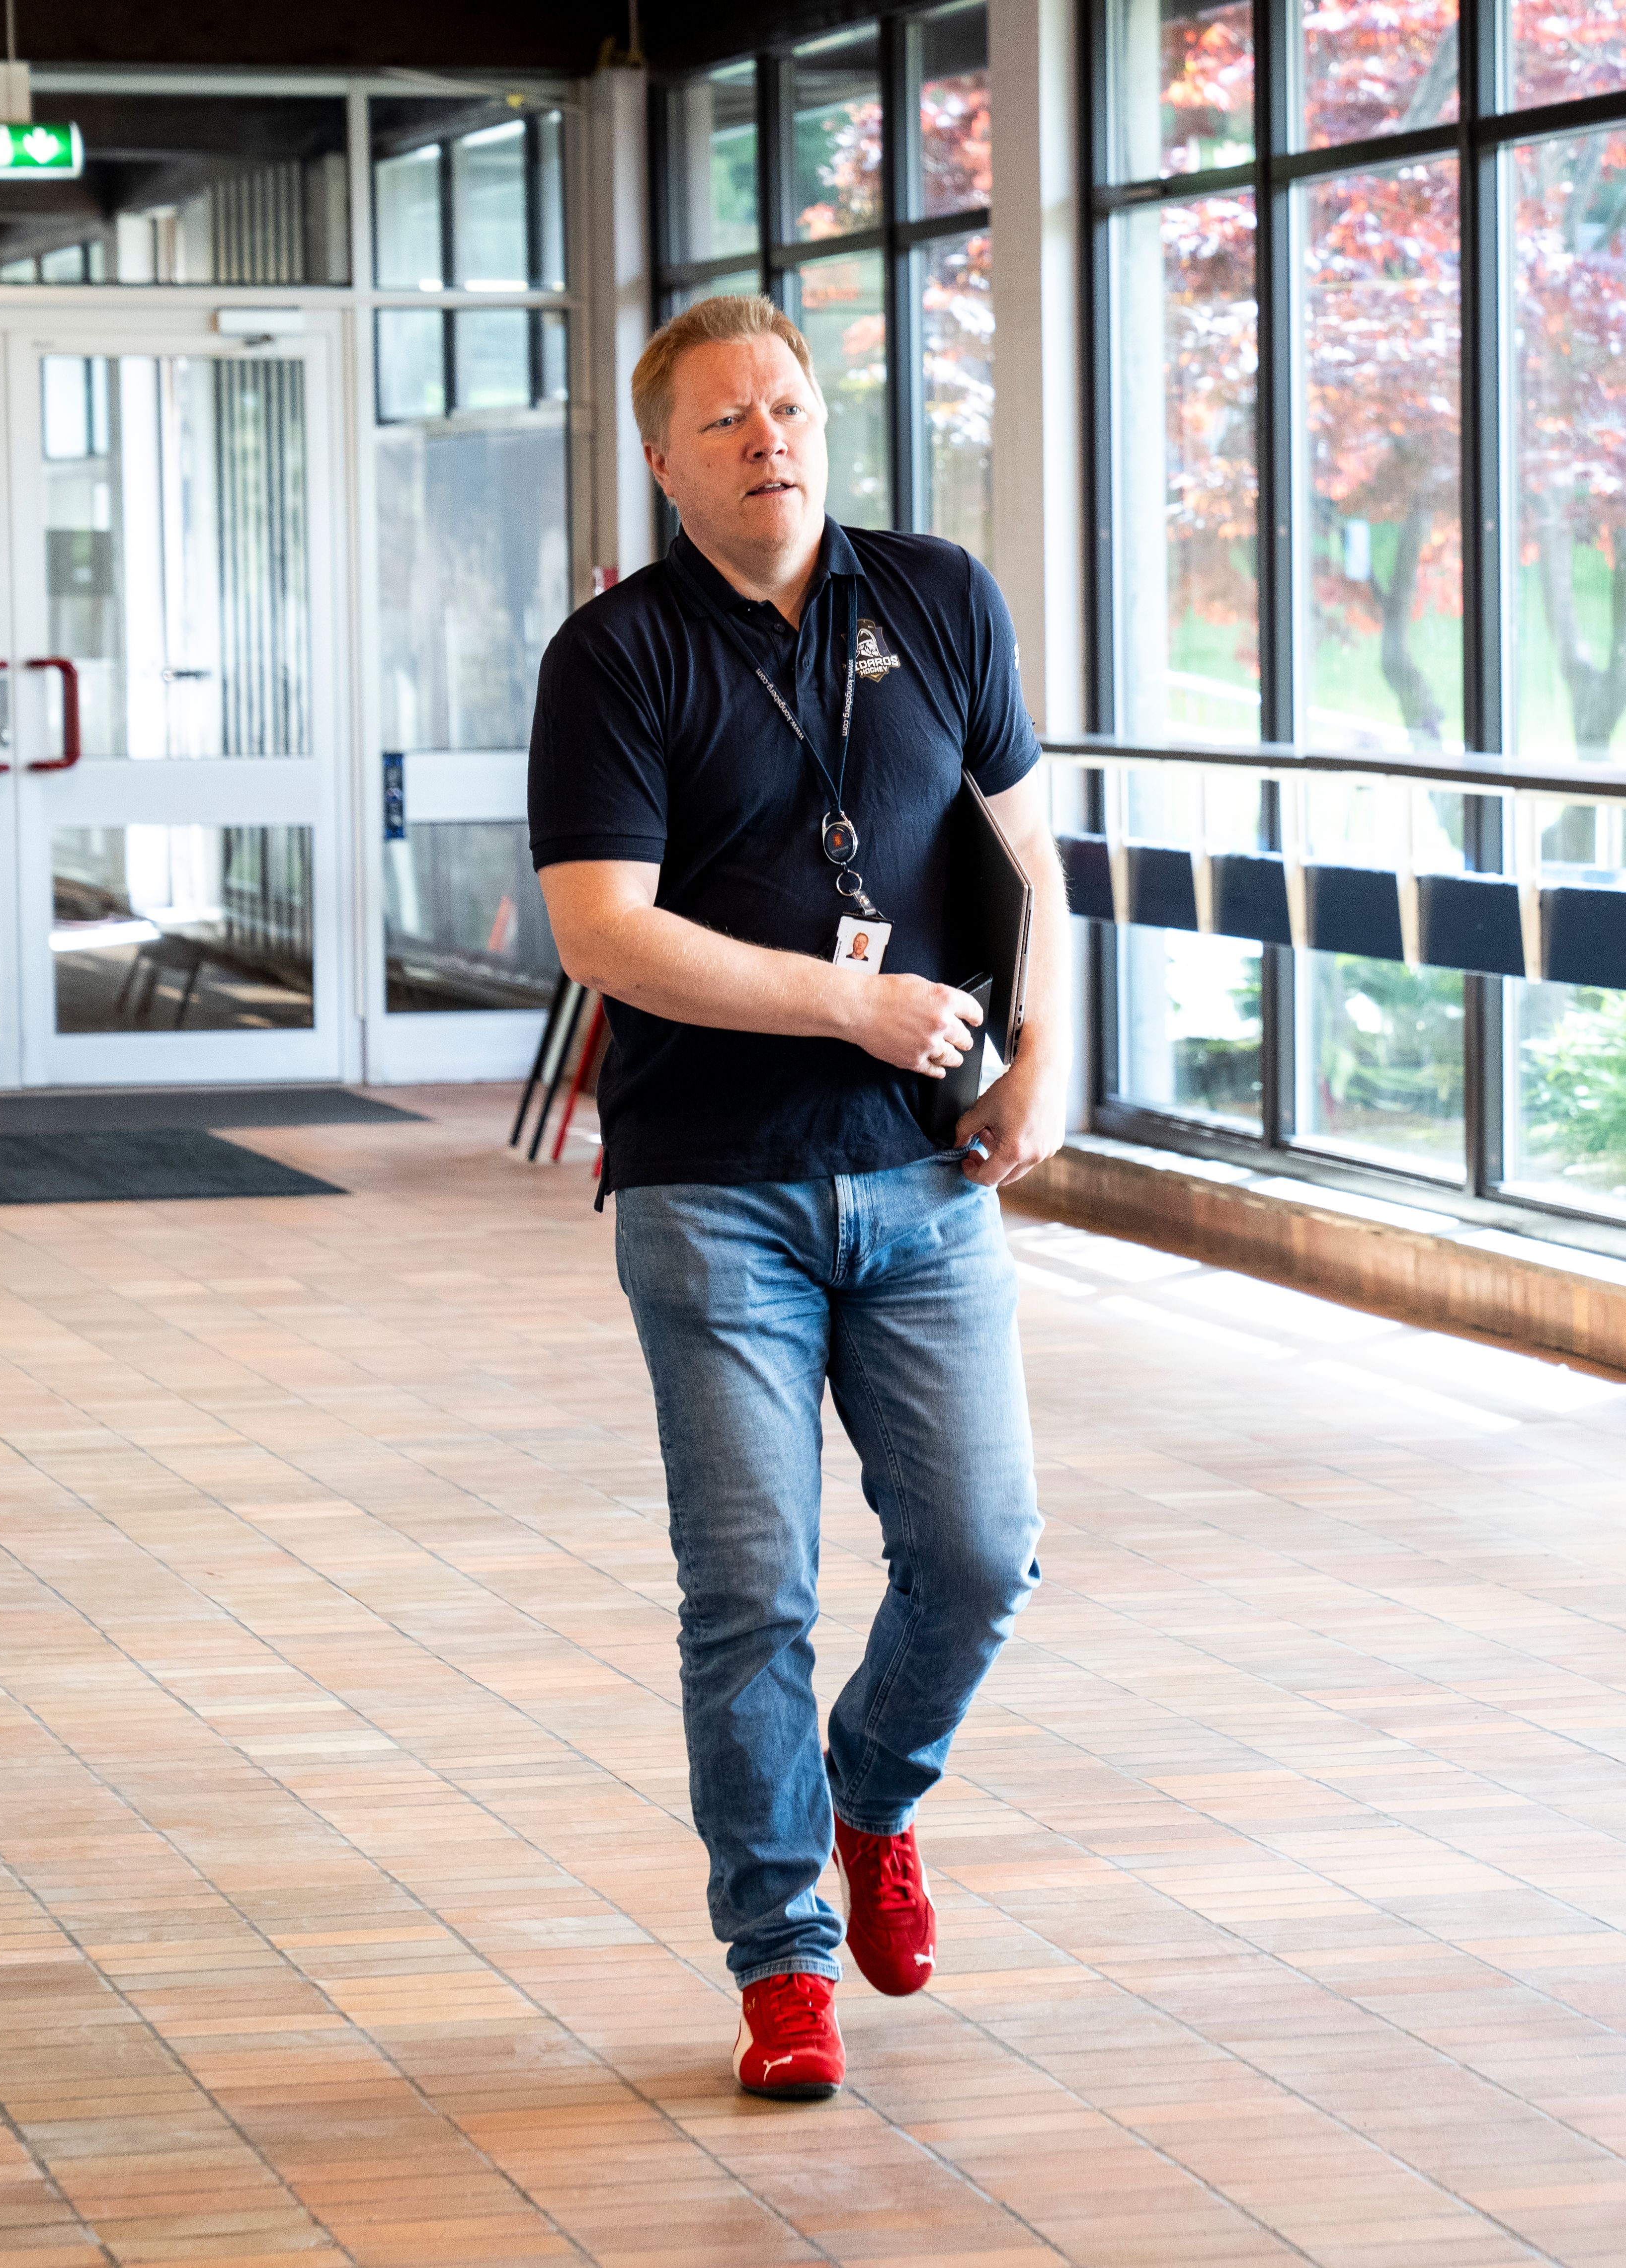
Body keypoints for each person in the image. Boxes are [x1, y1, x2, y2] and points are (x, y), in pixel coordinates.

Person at [531, 294, 1072, 2104]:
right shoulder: (614, 658)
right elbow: (603, 932)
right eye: (725, 419)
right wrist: (853, 1002)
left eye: (789, 407)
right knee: (751, 1589)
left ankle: (872, 1793)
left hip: (926, 1177)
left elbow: (1028, 856)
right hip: (715, 1191)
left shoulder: (938, 598)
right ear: (663, 461)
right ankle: (781, 1960)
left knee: (982, 1549)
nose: (768, 437)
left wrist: (1041, 1058)